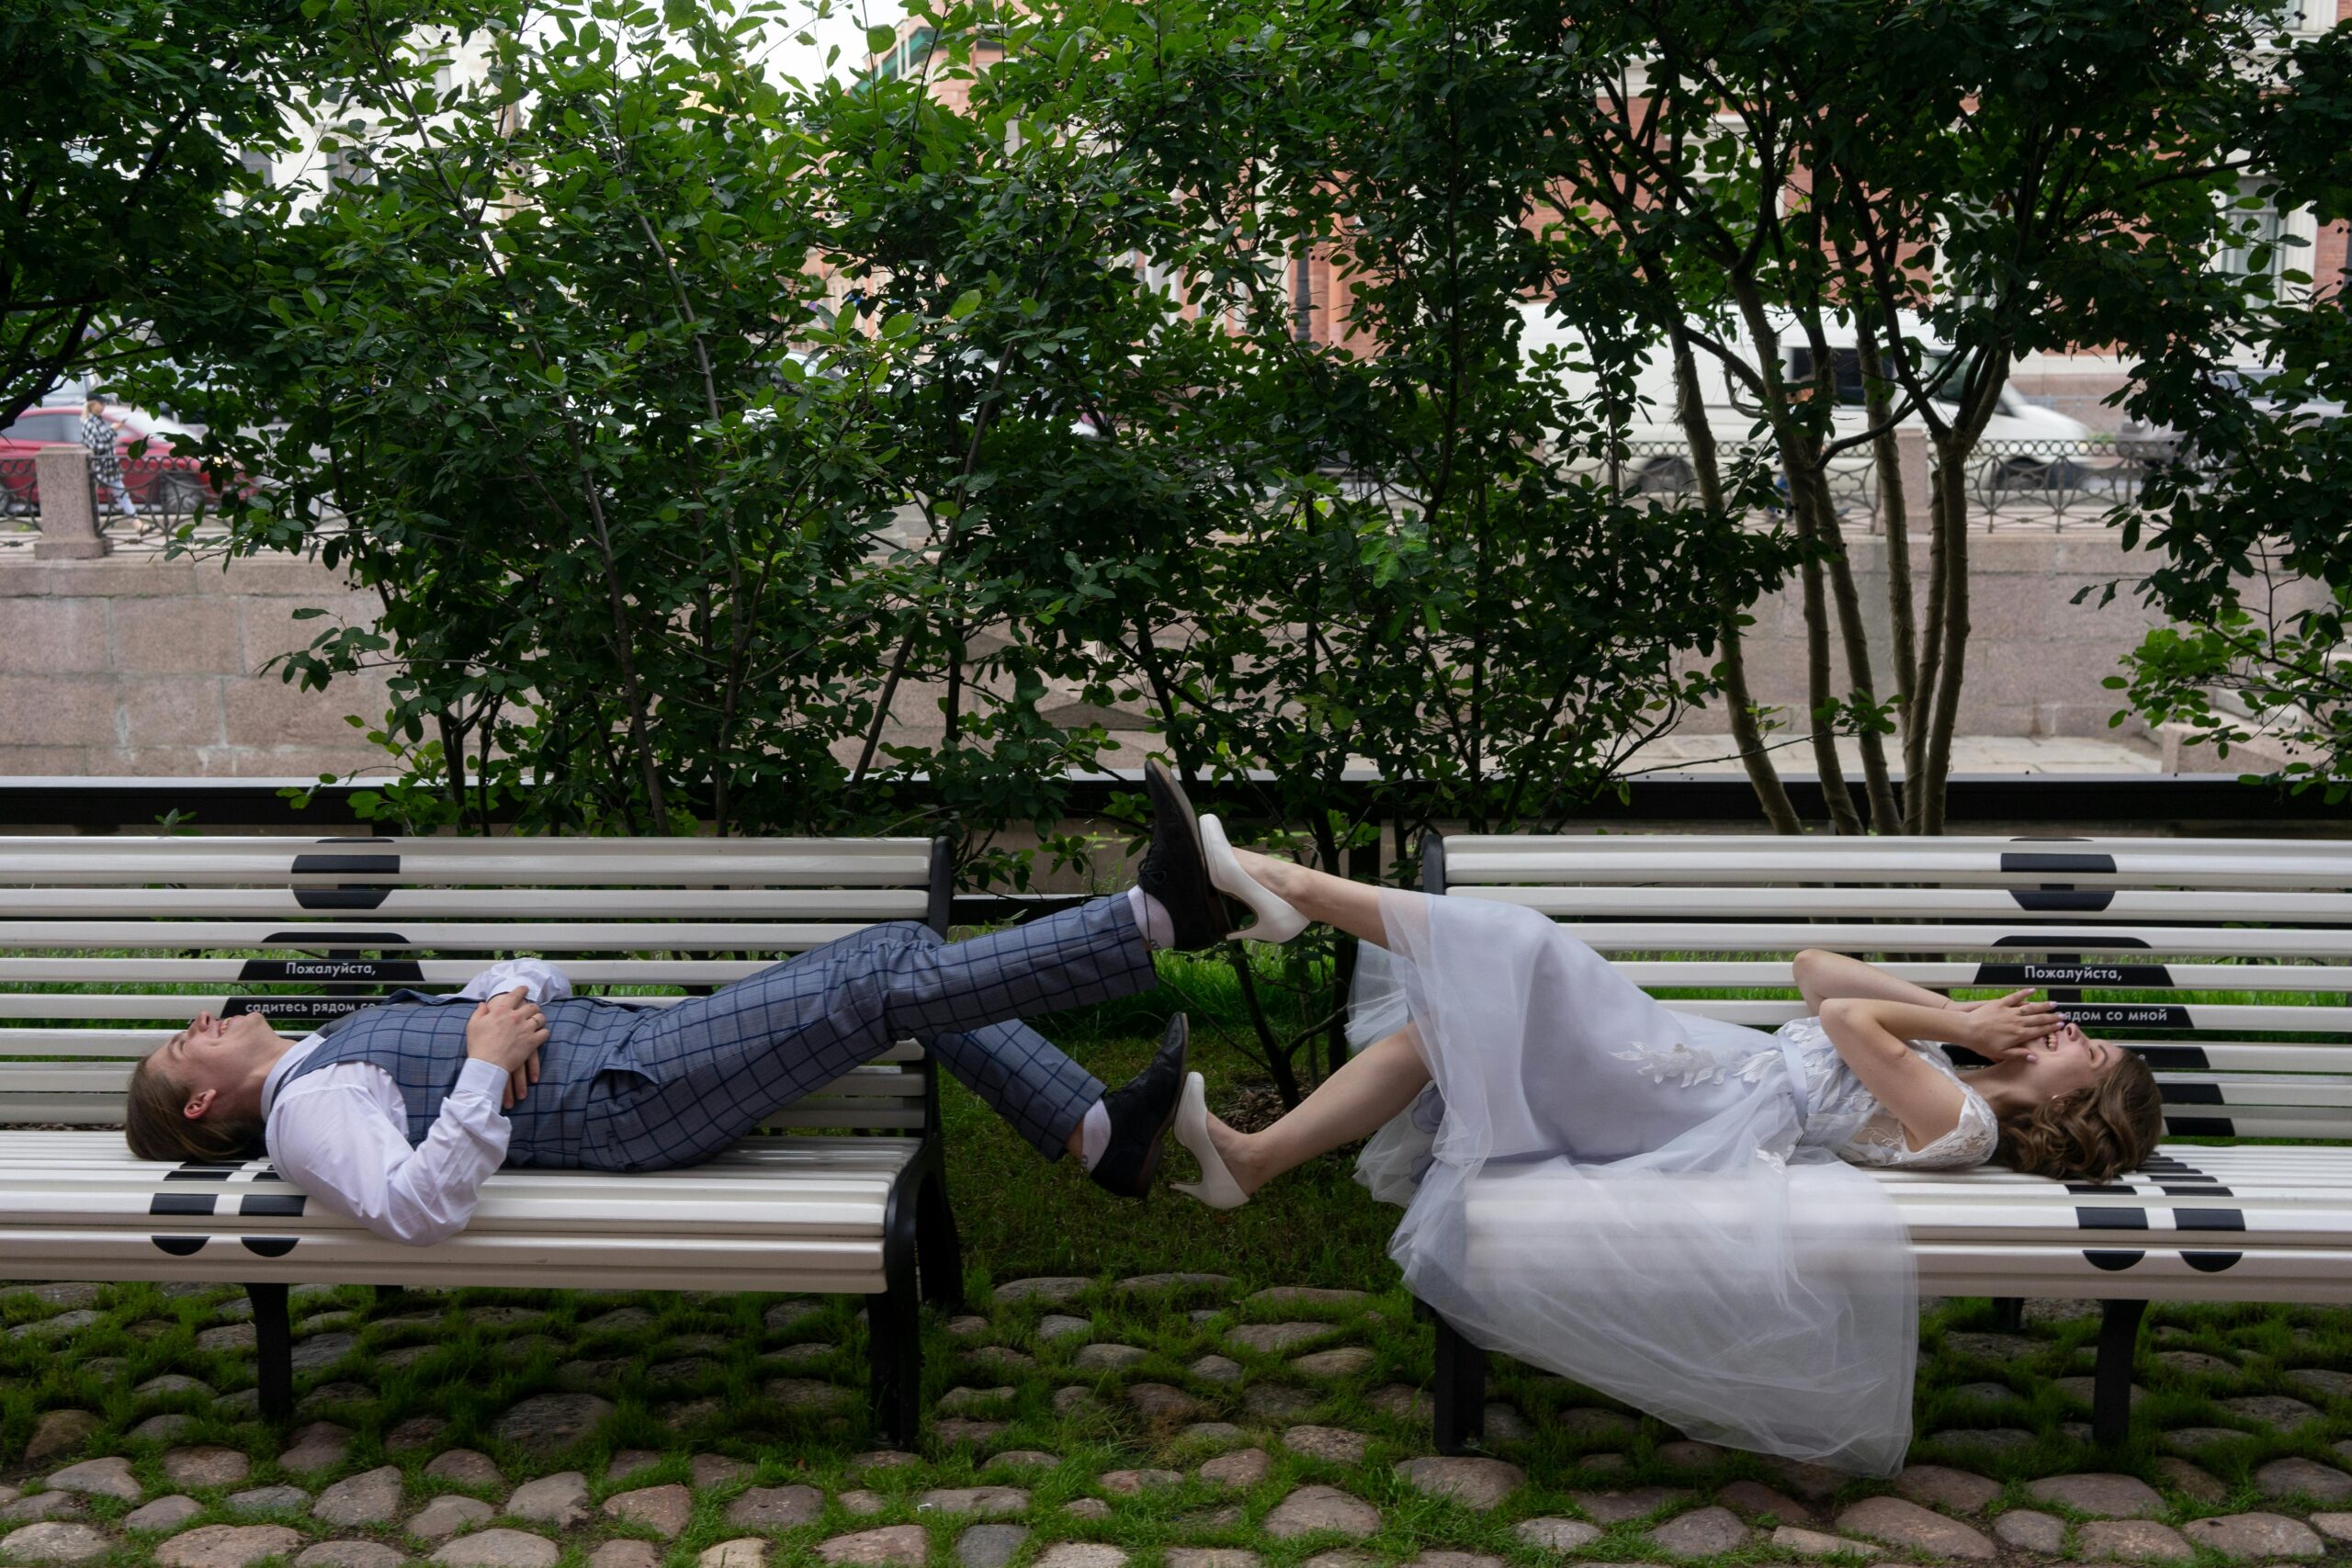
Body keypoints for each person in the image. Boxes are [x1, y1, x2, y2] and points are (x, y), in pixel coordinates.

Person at [1168, 849, 2165, 1475]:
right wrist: (1965, 1024)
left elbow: (1840, 1015)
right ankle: (1249, 1162)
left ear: (2083, 1099)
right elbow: (1816, 967)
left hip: (1673, 1104)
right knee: (1441, 1028)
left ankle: (1285, 887)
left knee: (1522, 945)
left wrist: (1960, 1023)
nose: (2071, 1029)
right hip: (1684, 1072)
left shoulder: (1961, 1118)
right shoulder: (1952, 1064)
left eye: (2093, 1048)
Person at [122, 763, 1250, 1245]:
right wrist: (479, 1065)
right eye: (187, 1046)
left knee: (900, 950)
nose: (204, 1021)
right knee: (876, 982)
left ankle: (1102, 1135)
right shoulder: (304, 1115)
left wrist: (504, 1007)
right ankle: (1154, 918)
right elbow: (414, 1208)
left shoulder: (334, 1049)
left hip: (639, 1058)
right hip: (631, 1098)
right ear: (205, 1099)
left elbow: (525, 977)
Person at [79, 395, 139, 522]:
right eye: (101, 404)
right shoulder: (89, 423)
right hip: (98, 467)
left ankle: (137, 524)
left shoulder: (98, 420)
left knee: (122, 494)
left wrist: (112, 435)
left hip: (108, 466)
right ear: (92, 404)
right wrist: (112, 430)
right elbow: (96, 445)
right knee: (89, 498)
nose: (103, 407)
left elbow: (103, 442)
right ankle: (90, 525)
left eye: (104, 404)